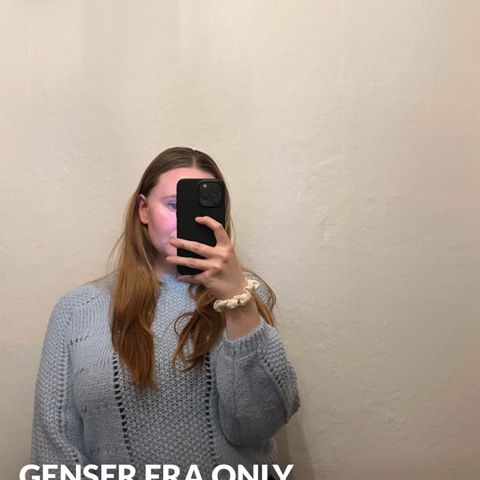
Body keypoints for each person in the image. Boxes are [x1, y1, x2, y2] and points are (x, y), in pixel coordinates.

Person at [30, 147, 300, 480]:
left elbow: (258, 424)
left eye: (204, 209)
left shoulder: (246, 296)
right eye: (174, 205)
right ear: (143, 210)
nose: (192, 220)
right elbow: (54, 450)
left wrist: (237, 301)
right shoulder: (77, 310)